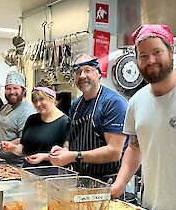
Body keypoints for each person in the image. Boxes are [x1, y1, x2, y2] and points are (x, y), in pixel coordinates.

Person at [110, 24, 176, 210]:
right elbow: (135, 148)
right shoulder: (137, 101)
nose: (151, 61)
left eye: (157, 52)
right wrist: (118, 186)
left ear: (171, 52)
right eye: (143, 55)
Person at [49, 54, 128, 182]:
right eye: (78, 72)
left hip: (107, 183)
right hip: (79, 179)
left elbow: (114, 152)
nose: (82, 76)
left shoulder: (113, 103)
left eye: (88, 70)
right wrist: (63, 151)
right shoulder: (76, 105)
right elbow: (70, 137)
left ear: (99, 73)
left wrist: (74, 156)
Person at [0, 86, 68, 167]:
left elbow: (66, 155)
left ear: (52, 98)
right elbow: (24, 148)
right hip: (28, 172)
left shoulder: (65, 122)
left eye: (41, 99)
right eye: (35, 101)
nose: (38, 104)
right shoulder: (32, 119)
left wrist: (45, 157)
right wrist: (13, 148)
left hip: (51, 174)